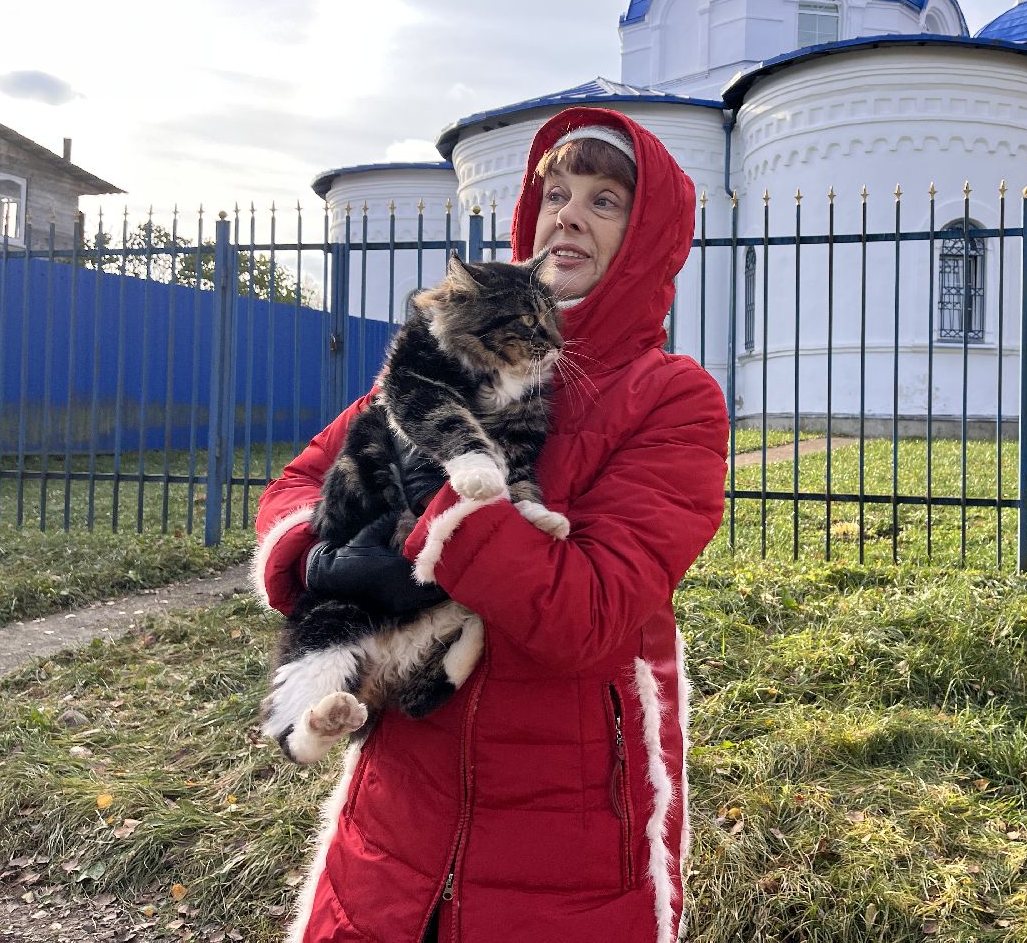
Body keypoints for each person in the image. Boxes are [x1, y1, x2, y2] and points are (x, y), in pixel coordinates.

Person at [251, 107, 729, 942]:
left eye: (605, 200)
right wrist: (322, 558)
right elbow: (301, 481)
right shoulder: (454, 344)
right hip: (402, 802)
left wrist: (442, 524)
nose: (568, 213)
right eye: (555, 192)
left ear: (649, 235)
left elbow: (589, 616)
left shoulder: (671, 397)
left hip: (565, 823)